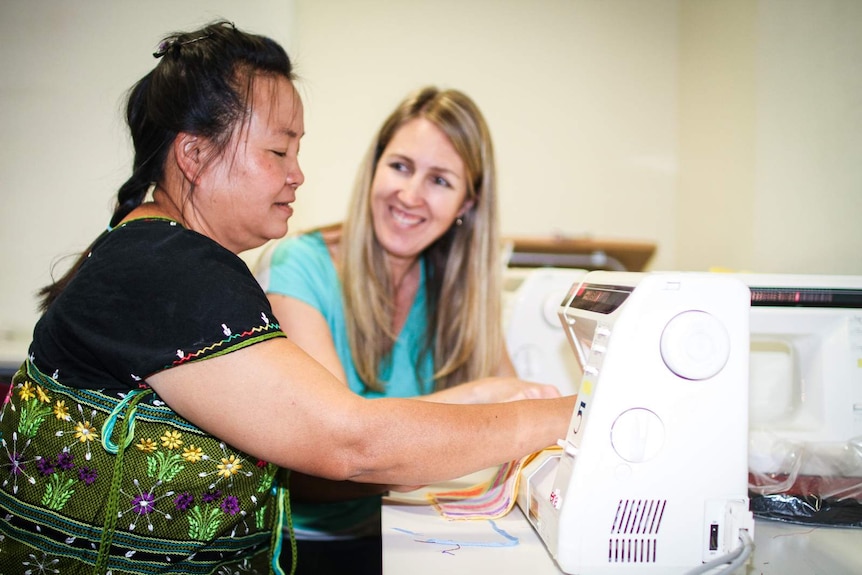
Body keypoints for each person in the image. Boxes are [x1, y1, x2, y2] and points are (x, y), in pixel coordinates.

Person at [0, 21, 576, 575]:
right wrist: (568, 416)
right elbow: (352, 444)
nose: (297, 175)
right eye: (278, 152)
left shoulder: (160, 251)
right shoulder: (169, 269)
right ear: (193, 156)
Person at [260, 86, 556, 574]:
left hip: (399, 529)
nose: (410, 194)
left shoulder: (456, 289)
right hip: (299, 544)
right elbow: (331, 454)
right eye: (399, 166)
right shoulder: (299, 267)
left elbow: (512, 422)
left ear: (467, 202)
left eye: (440, 180)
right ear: (374, 168)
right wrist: (479, 398)